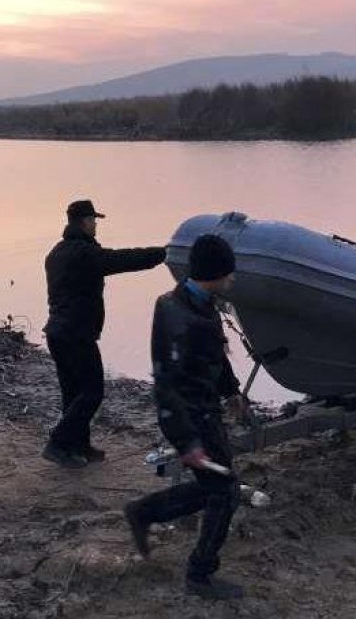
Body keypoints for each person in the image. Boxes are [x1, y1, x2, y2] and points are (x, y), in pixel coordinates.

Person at [123, 234, 248, 600]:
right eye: (229, 273)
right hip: (189, 417)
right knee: (225, 491)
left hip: (206, 409)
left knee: (216, 486)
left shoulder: (202, 303)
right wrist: (187, 441)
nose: (233, 280)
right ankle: (199, 574)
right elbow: (167, 384)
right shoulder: (175, 314)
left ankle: (143, 512)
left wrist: (231, 392)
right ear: (214, 274)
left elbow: (216, 356)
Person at [41, 199, 166, 469]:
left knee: (73, 393)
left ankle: (78, 445)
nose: (96, 225)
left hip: (58, 332)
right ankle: (58, 442)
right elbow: (120, 260)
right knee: (93, 391)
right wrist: (161, 254)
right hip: (76, 333)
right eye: (94, 220)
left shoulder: (57, 252)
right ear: (85, 222)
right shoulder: (83, 253)